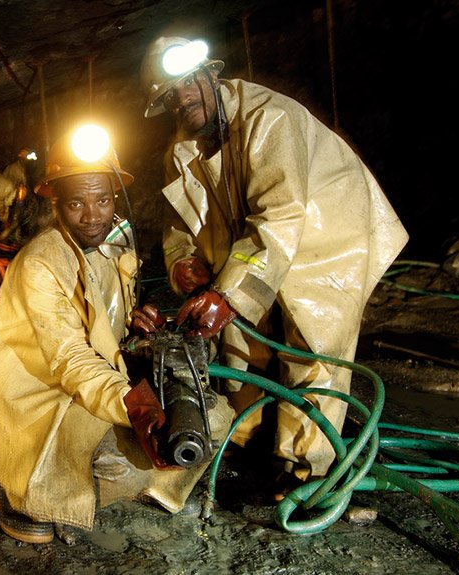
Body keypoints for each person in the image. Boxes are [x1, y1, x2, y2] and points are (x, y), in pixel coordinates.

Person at [138, 36, 409, 494]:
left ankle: (307, 473)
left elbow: (282, 214)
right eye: (170, 96)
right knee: (241, 344)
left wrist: (226, 294)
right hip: (256, 247)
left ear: (211, 75)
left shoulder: (269, 118)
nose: (182, 99)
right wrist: (182, 261)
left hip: (325, 235)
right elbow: (178, 224)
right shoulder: (181, 150)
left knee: (311, 349)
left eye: (188, 84)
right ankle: (247, 447)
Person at [0, 126, 234, 544]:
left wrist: (132, 320)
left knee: (210, 414)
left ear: (115, 197)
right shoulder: (41, 264)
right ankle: (20, 489)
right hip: (48, 392)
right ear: (56, 202)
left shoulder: (115, 243)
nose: (93, 215)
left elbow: (103, 317)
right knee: (106, 449)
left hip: (99, 374)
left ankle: (144, 486)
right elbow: (69, 360)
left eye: (102, 199)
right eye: (77, 202)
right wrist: (136, 407)